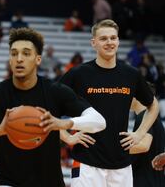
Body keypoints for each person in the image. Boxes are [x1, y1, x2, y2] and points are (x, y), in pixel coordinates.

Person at [0, 27, 106, 187]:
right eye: (14, 53)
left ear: (38, 59)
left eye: (26, 53)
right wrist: (0, 130)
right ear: (10, 59)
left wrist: (63, 123)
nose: (19, 59)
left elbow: (99, 121)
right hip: (9, 182)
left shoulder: (55, 91)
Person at [59, 19, 159, 187]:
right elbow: (51, 106)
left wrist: (140, 133)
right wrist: (67, 137)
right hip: (87, 163)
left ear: (118, 41)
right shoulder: (78, 74)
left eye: (113, 38)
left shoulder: (130, 74)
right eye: (103, 38)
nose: (109, 42)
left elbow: (153, 105)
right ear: (93, 43)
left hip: (122, 165)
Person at [129, 96, 165, 187]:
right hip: (155, 179)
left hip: (145, 180)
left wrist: (112, 148)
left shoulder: (144, 118)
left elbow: (144, 146)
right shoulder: (153, 118)